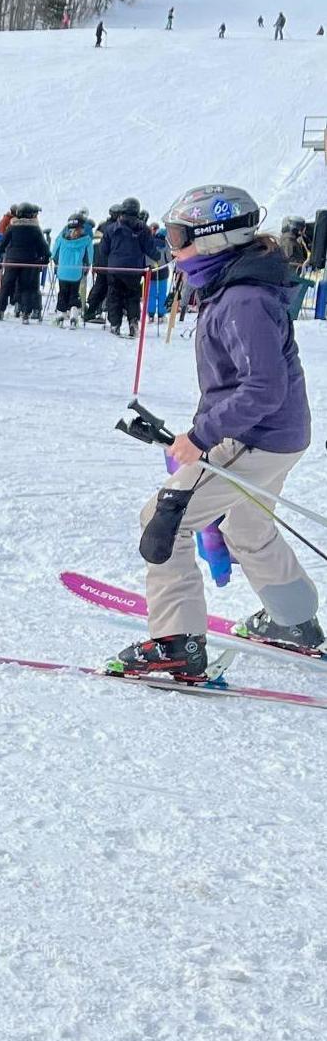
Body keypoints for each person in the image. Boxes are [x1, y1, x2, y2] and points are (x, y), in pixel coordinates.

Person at [109, 184, 319, 679]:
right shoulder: (235, 288)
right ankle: (295, 622)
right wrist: (201, 431)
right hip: (278, 435)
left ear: (213, 240)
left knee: (163, 521)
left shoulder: (243, 299)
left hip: (254, 436)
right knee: (247, 526)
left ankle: (175, 642)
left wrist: (203, 436)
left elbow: (262, 387)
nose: (172, 249)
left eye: (179, 237)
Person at [102, 197, 162, 336]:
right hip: (134, 270)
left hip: (115, 268)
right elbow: (151, 250)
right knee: (132, 296)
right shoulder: (143, 229)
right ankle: (133, 322)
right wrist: (159, 256)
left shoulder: (111, 228)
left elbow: (104, 250)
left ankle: (115, 324)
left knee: (114, 295)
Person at [0, 202, 49, 323]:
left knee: (6, 286)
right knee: (27, 287)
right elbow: (43, 247)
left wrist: (2, 250)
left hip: (12, 261)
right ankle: (25, 313)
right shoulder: (35, 229)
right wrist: (44, 258)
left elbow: (2, 245)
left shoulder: (12, 227)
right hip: (29, 262)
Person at [52, 213, 94, 327]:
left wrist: (56, 262)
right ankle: (74, 314)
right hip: (76, 272)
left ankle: (61, 314)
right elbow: (89, 256)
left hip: (63, 270)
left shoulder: (61, 238)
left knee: (63, 292)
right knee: (74, 293)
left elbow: (54, 252)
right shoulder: (86, 240)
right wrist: (87, 266)